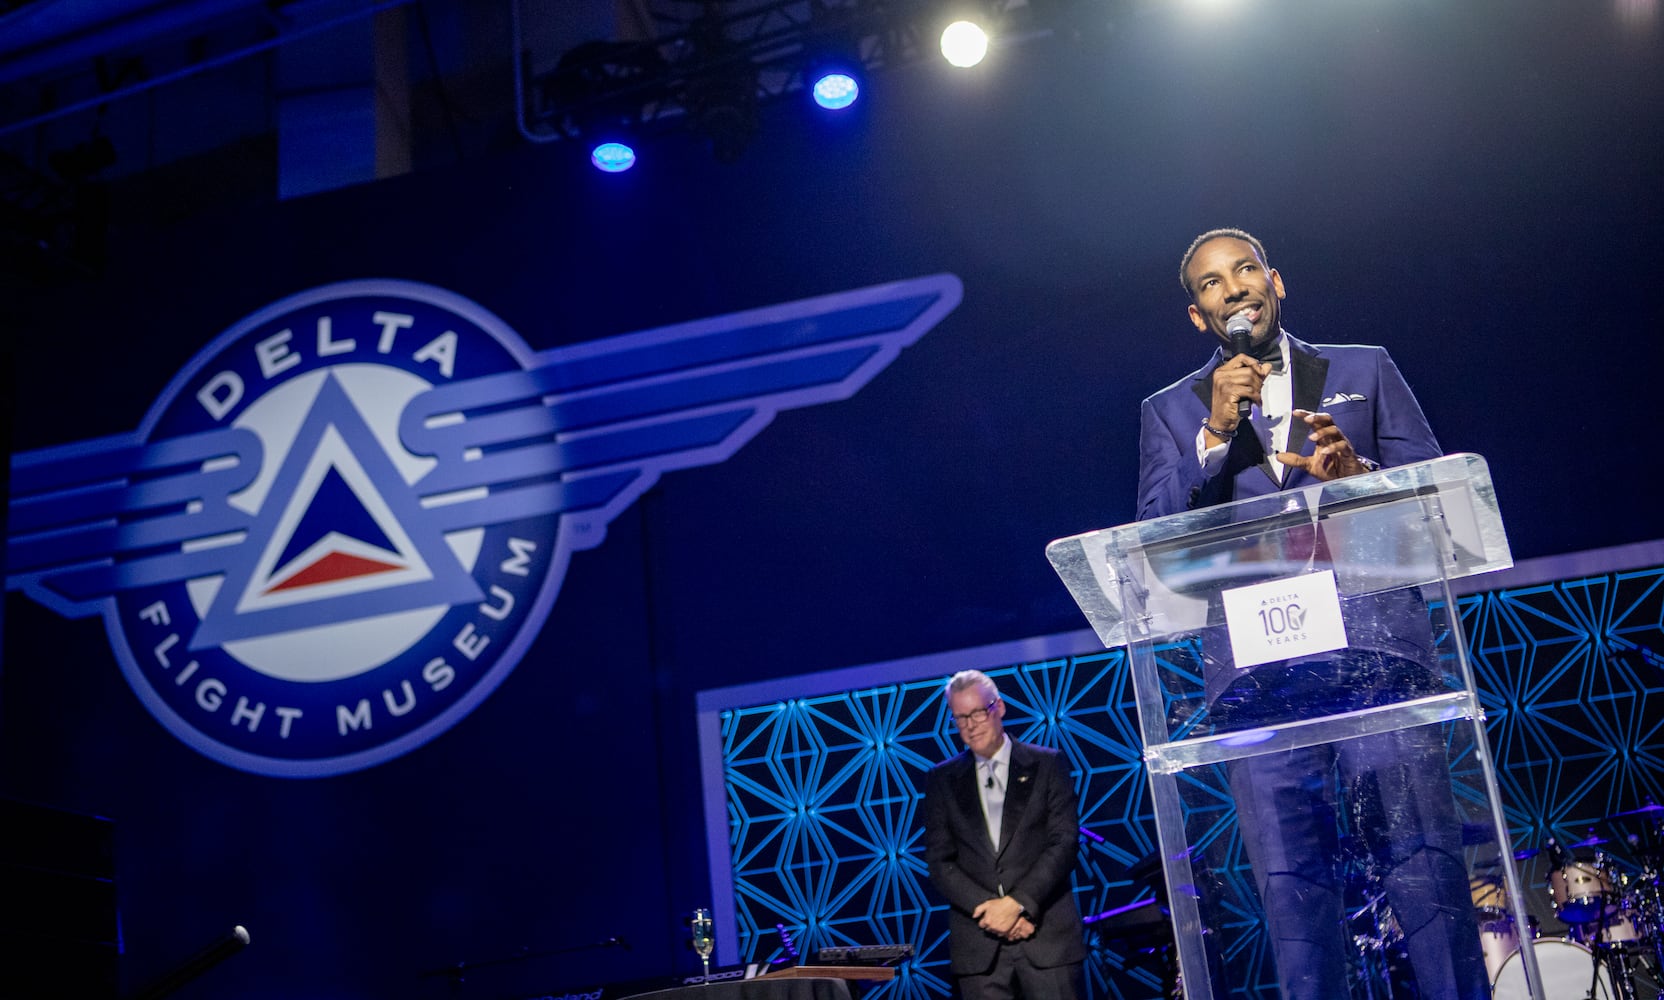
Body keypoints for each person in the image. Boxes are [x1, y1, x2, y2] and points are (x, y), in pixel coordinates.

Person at [1134, 228, 1489, 1000]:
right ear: (1199, 316)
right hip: (1261, 682)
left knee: (1425, 872)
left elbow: (1434, 500)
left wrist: (1358, 479)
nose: (1232, 289)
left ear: (1276, 282)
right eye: (1211, 284)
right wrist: (1216, 434)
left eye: (1245, 270)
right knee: (1295, 901)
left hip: (1377, 661)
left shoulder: (1364, 368)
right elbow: (1156, 544)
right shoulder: (1171, 413)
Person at [922, 669, 1087, 999]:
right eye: (961, 717)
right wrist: (991, 912)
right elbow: (940, 862)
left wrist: (1018, 905)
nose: (971, 725)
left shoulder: (1047, 764)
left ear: (999, 707)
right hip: (980, 949)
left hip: (1047, 940)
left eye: (978, 713)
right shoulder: (942, 780)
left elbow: (1063, 843)